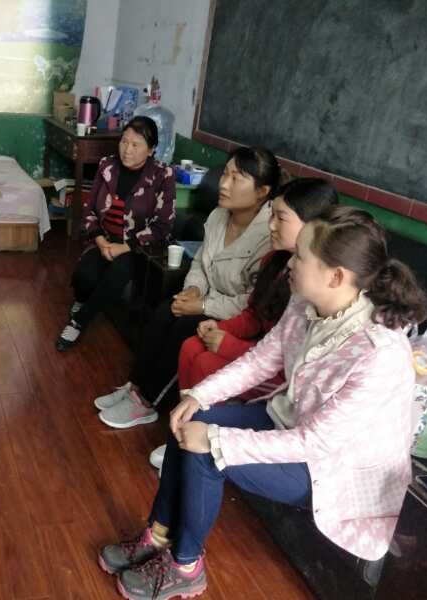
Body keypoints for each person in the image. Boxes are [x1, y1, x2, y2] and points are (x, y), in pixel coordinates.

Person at [98, 205, 427, 600]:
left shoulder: (378, 354)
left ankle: (185, 566)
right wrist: (199, 395)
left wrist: (218, 439)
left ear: (336, 276)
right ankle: (157, 534)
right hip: (293, 425)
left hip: (332, 469)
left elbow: (315, 444)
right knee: (188, 420)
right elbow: (262, 360)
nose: (290, 262)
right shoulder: (306, 302)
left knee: (207, 451)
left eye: (301, 256)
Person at [149, 177, 339, 469]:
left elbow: (282, 359)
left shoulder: (311, 288)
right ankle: (185, 432)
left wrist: (228, 344)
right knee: (190, 346)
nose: (270, 225)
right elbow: (254, 314)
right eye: (271, 215)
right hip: (262, 352)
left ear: (314, 226)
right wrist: (221, 329)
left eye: (280, 218)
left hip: (282, 376)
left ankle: (207, 443)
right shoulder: (275, 261)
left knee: (205, 362)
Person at [95, 146, 280, 429]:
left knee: (184, 327)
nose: (223, 184)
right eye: (225, 174)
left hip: (236, 316)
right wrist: (193, 290)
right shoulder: (218, 215)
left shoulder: (269, 235)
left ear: (262, 192)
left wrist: (203, 306)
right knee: (164, 311)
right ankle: (136, 385)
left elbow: (252, 301)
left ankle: (148, 401)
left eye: (236, 178)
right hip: (206, 298)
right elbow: (201, 263)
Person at [55, 116, 176, 351]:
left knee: (119, 271)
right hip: (106, 240)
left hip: (138, 248)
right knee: (83, 276)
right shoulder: (107, 166)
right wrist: (101, 242)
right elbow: (89, 210)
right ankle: (82, 300)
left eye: (135, 144)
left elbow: (163, 225)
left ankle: (79, 322)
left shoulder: (163, 175)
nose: (127, 150)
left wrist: (125, 247)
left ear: (151, 150)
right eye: (124, 141)